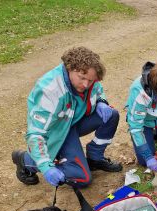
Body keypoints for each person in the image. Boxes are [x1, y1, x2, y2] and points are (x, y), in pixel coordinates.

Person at [12, 47, 122, 188]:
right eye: (82, 78)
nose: (86, 84)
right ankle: (25, 160)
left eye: (90, 80)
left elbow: (97, 89)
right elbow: (36, 134)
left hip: (73, 121)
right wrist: (46, 168)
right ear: (69, 68)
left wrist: (101, 101)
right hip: (57, 131)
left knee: (111, 115)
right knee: (83, 179)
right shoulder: (50, 90)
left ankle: (95, 158)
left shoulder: (88, 78)